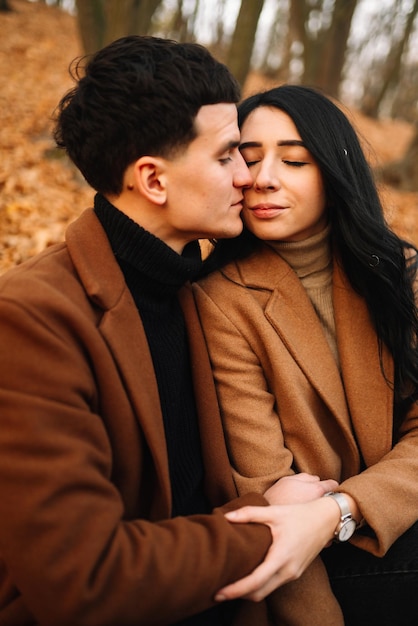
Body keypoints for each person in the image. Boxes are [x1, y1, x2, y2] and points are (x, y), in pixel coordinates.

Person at [0, 41, 339, 626]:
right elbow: (85, 579)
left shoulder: (195, 290)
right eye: (230, 155)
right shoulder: (33, 321)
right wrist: (266, 524)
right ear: (153, 180)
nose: (249, 178)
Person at [194, 84, 418, 626]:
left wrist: (341, 508)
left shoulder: (398, 273)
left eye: (293, 160)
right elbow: (266, 500)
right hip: (315, 566)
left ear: (334, 173)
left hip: (385, 518)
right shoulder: (221, 300)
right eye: (247, 159)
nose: (263, 178)